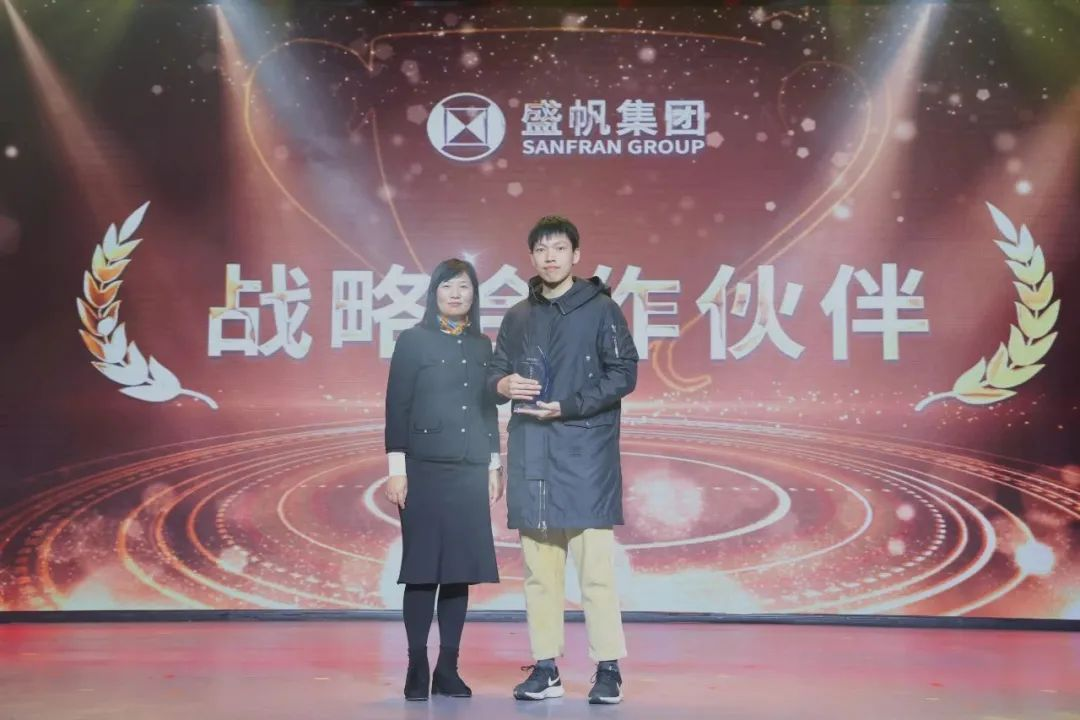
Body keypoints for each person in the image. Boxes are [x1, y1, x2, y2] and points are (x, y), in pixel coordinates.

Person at [487, 215, 639, 704]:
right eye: (541, 249)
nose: (550, 257)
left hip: (585, 455)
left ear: (576, 255)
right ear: (531, 257)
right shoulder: (517, 316)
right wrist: (503, 383)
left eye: (558, 248)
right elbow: (494, 372)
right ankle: (546, 667)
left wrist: (569, 405)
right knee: (539, 572)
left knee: (595, 571)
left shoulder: (601, 309)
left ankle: (608, 668)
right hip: (532, 454)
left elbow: (624, 372)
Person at [383, 258, 504, 702]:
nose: (456, 294)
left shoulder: (482, 345)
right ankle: (416, 666)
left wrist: (494, 463)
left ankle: (447, 668)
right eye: (448, 286)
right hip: (423, 469)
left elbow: (487, 408)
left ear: (475, 295)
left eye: (464, 287)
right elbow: (397, 404)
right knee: (422, 572)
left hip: (470, 468)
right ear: (434, 292)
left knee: (458, 573)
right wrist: (397, 469)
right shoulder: (413, 341)